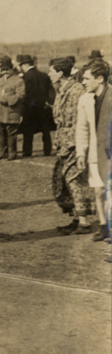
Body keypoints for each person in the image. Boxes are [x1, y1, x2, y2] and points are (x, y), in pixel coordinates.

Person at [48, 57, 94, 235]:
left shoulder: (77, 91)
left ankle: (84, 222)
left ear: (60, 73)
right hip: (64, 142)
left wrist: (76, 145)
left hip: (74, 143)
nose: (49, 74)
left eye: (52, 71)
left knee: (75, 180)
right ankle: (77, 218)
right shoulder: (63, 90)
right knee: (67, 181)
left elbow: (81, 122)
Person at [76, 58, 112, 242]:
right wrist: (81, 152)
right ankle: (103, 225)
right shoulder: (84, 100)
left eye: (86, 78)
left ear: (100, 79)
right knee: (98, 191)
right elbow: (82, 128)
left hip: (110, 154)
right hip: (94, 155)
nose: (83, 82)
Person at [16, 54, 53, 157]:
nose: (22, 68)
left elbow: (25, 94)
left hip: (30, 108)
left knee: (28, 132)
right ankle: (47, 150)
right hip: (44, 107)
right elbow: (51, 91)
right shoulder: (44, 75)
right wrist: (48, 102)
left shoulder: (25, 77)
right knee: (45, 131)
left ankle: (27, 151)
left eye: (22, 65)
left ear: (26, 65)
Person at [0, 55, 24, 161]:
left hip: (11, 111)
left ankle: (12, 153)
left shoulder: (18, 80)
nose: (5, 72)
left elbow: (21, 95)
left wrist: (8, 100)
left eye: (7, 70)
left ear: (11, 69)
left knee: (11, 133)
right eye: (3, 70)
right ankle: (2, 152)